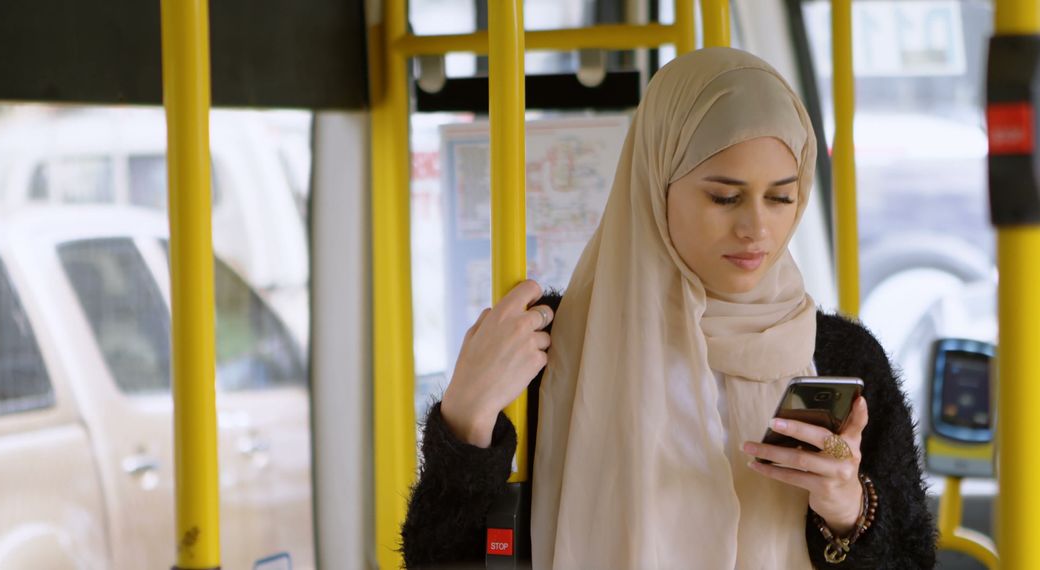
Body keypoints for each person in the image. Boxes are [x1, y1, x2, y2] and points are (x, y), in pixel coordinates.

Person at [401, 47, 937, 569]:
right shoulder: (547, 351)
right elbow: (442, 557)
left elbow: (911, 558)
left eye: (781, 197)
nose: (757, 229)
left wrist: (848, 510)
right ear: (656, 186)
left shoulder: (843, 358)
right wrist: (466, 420)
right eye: (724, 197)